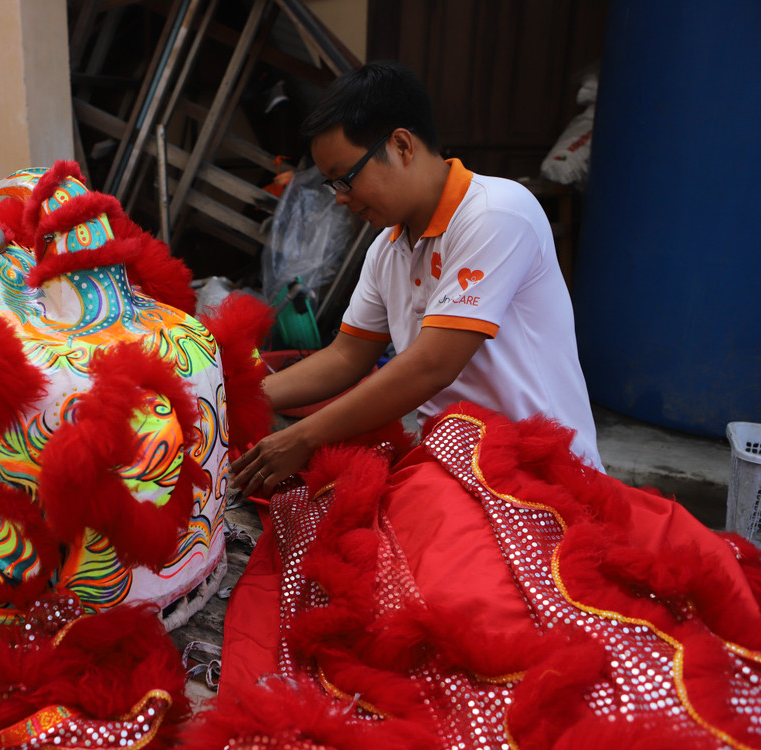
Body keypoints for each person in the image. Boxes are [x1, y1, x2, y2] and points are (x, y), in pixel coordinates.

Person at [231, 61, 603, 497]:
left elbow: (432, 365)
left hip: (543, 475)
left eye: (346, 179)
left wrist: (304, 436)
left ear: (403, 145)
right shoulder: (387, 249)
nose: (342, 199)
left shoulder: (496, 212)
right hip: (459, 471)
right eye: (333, 185)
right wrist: (232, 396)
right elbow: (347, 356)